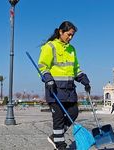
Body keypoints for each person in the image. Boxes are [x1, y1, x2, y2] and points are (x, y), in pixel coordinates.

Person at [38, 21, 91, 150]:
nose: (70, 38)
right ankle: (60, 145)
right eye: (69, 34)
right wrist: (48, 79)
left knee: (73, 113)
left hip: (69, 89)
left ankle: (55, 136)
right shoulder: (50, 47)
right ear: (61, 32)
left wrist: (84, 79)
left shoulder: (72, 49)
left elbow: (75, 69)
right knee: (58, 118)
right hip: (54, 89)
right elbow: (42, 66)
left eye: (72, 35)